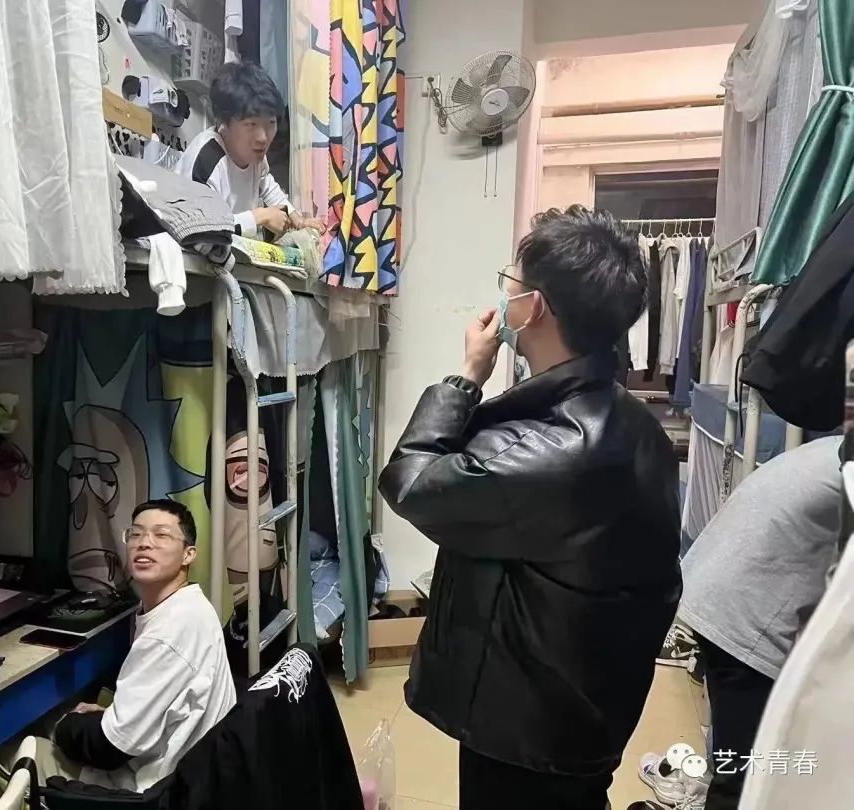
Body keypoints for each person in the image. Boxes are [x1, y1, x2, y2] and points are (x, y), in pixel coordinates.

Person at [379, 206, 682, 810]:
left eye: (511, 283)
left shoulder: (555, 449)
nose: (505, 295)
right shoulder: (632, 421)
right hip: (584, 706)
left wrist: (466, 378)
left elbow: (409, 483)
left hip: (529, 726)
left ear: (533, 307)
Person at [638, 436, 841, 810]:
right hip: (745, 614)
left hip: (722, 586)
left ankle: (709, 780)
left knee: (744, 754)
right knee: (746, 775)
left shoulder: (833, 449)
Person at [0, 500, 236, 794]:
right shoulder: (191, 606)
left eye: (161, 535)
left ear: (189, 554)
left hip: (152, 791)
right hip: (183, 771)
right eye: (136, 534)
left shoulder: (167, 634)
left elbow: (109, 749)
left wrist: (67, 725)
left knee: (11, 756)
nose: (144, 543)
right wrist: (109, 717)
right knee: (58, 724)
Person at [175, 61, 323, 239]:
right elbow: (198, 229)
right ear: (223, 123)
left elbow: (266, 184)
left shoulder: (254, 155)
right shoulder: (206, 159)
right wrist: (259, 217)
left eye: (271, 123)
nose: (263, 137)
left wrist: (297, 219)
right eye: (251, 124)